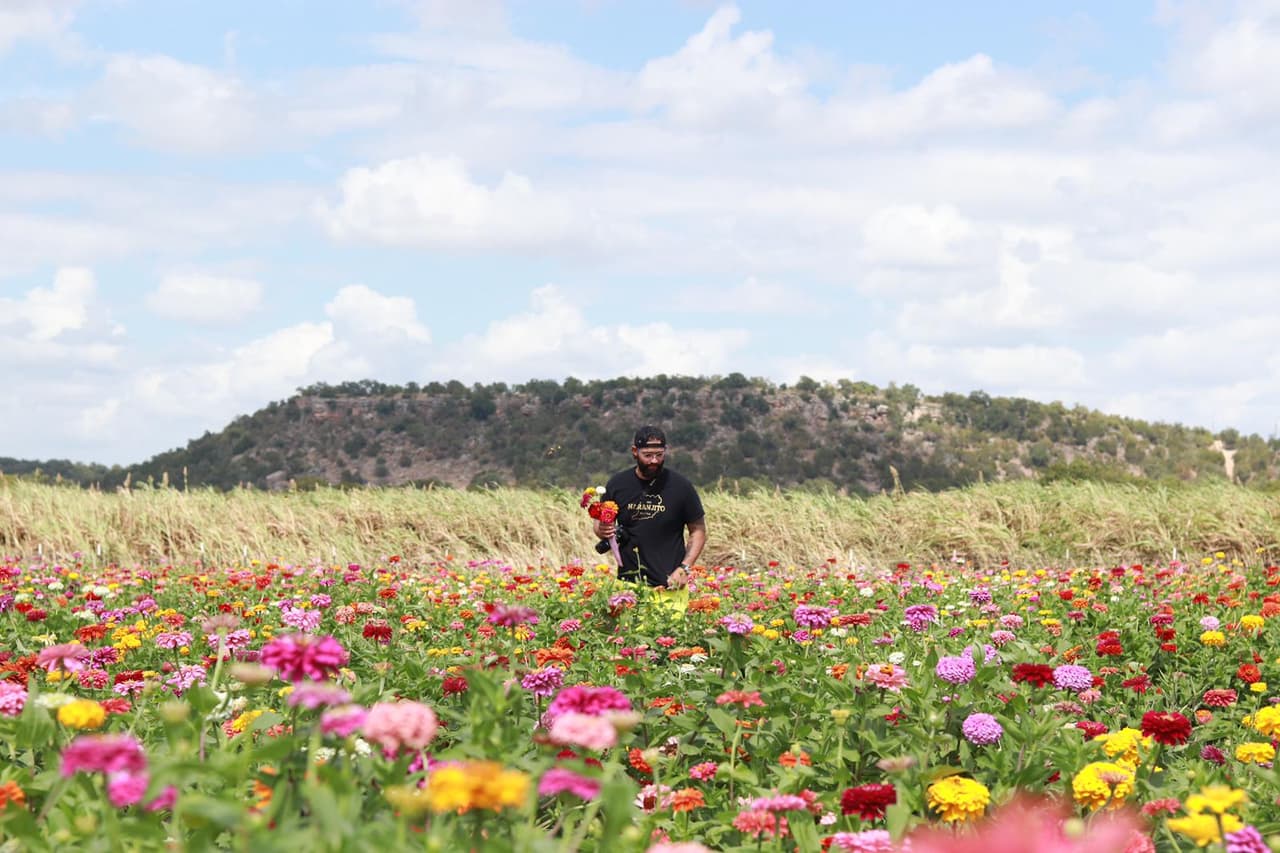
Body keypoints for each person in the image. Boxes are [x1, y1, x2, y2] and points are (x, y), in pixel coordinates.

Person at [592, 425, 706, 589]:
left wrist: (684, 568)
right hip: (628, 586)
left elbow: (698, 531)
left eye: (659, 455)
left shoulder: (681, 487)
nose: (654, 461)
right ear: (634, 452)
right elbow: (599, 525)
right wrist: (601, 530)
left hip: (670, 585)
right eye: (648, 455)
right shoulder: (618, 484)